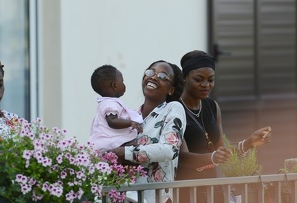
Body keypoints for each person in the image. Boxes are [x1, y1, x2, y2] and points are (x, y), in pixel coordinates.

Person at [176, 50, 272, 202]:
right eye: (198, 79)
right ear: (184, 78)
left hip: (213, 187)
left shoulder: (212, 107)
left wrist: (249, 143)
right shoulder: (173, 108)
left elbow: (222, 151)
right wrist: (213, 157)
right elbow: (182, 157)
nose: (206, 85)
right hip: (186, 189)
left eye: (211, 80)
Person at [109, 60, 186, 203]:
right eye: (150, 72)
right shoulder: (130, 117)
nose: (154, 77)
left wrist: (124, 152)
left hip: (158, 199)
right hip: (127, 197)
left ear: (171, 90)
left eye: (163, 76)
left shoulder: (173, 108)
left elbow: (170, 150)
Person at [88, 64, 143, 154]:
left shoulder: (105, 102)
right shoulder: (110, 103)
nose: (124, 84)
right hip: (109, 140)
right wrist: (131, 123)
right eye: (122, 81)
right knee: (131, 147)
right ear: (114, 85)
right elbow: (112, 121)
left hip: (104, 140)